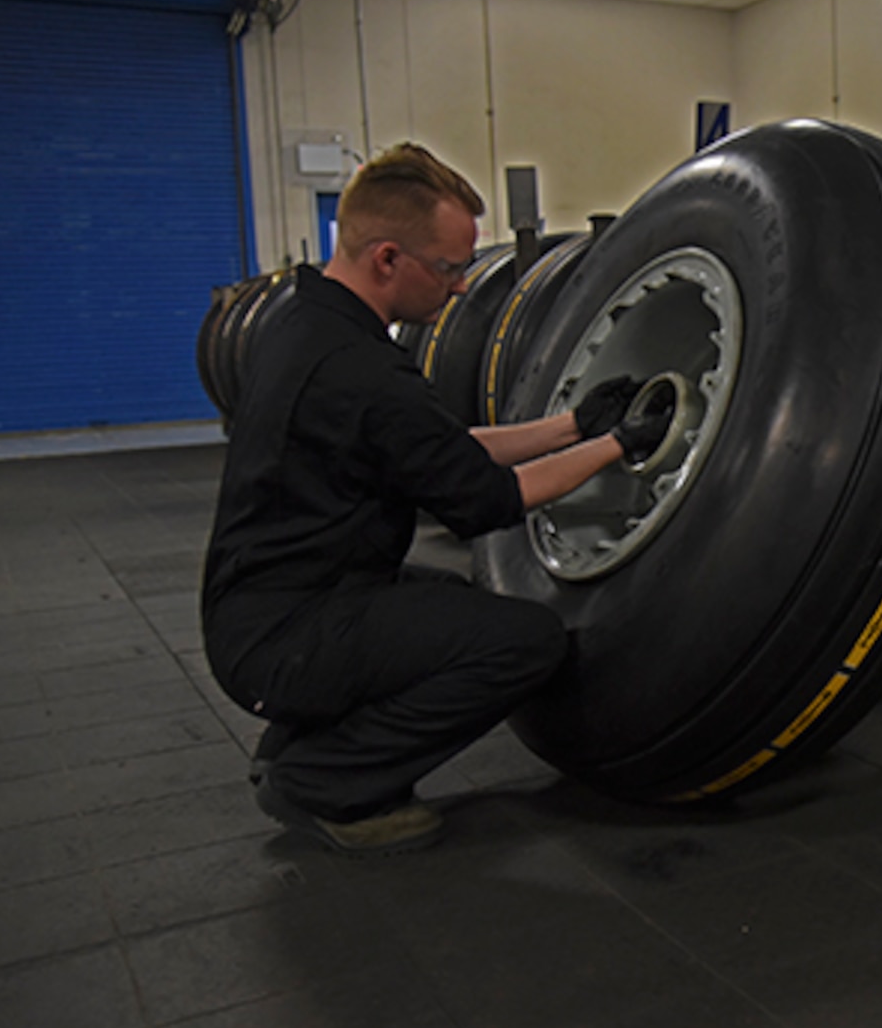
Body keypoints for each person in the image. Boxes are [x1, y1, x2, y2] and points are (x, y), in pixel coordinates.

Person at [201, 142, 664, 857]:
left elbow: (441, 446)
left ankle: (294, 748)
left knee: (443, 602)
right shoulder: (361, 369)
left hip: (263, 612)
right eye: (450, 268)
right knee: (521, 642)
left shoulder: (305, 320)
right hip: (286, 636)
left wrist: (574, 425)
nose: (458, 290)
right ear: (387, 258)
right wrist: (622, 447)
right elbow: (489, 499)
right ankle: (327, 782)